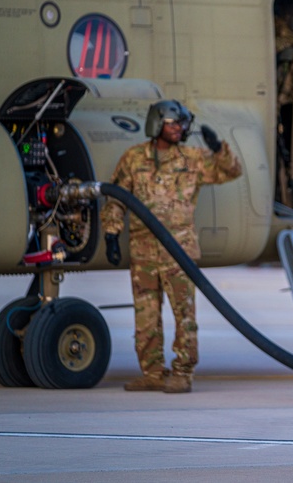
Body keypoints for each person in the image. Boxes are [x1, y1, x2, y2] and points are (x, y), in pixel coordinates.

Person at [101, 100, 242, 394]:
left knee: (184, 315)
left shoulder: (192, 159)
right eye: (171, 123)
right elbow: (115, 196)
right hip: (143, 252)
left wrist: (219, 150)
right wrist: (111, 234)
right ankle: (152, 372)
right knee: (146, 316)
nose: (178, 128)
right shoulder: (134, 158)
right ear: (157, 124)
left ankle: (182, 372)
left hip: (179, 251)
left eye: (180, 123)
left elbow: (231, 171)